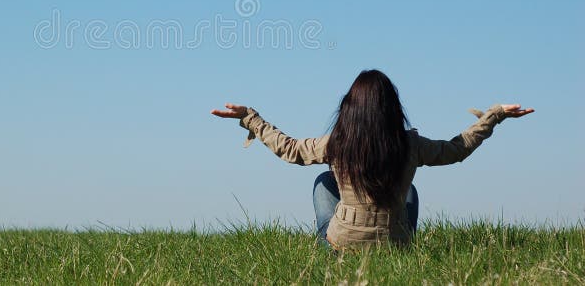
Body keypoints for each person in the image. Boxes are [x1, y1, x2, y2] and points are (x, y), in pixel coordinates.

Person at [210, 69, 534, 250]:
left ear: (349, 109)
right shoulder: (410, 145)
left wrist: (250, 118)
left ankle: (330, 252)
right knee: (410, 191)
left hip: (342, 244)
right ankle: (402, 244)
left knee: (324, 181)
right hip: (394, 244)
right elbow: (457, 148)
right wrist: (494, 117)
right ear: (393, 109)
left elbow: (290, 148)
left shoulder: (336, 143)